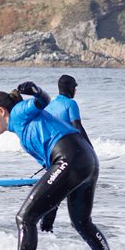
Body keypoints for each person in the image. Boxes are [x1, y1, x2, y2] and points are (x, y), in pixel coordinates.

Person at [0, 81, 125, 250]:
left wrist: (36, 91)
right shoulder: (24, 134)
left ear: (1, 111)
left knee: (24, 218)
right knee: (82, 222)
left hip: (71, 158)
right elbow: (54, 177)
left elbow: (43, 101)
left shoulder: (19, 112)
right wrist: (49, 212)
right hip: (86, 160)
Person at [38, 74, 90, 233]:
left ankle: (46, 230)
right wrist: (89, 148)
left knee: (54, 193)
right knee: (70, 192)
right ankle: (78, 226)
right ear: (71, 89)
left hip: (50, 153)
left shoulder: (49, 106)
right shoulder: (71, 104)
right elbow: (77, 128)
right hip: (68, 154)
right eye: (75, 87)